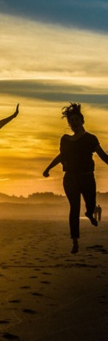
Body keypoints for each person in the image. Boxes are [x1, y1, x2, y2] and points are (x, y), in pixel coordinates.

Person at [43, 102, 108, 253]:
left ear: (82, 121)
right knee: (74, 208)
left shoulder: (91, 138)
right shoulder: (65, 140)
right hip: (71, 178)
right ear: (69, 124)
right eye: (71, 121)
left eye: (76, 120)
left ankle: (89, 213)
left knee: (91, 203)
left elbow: (103, 155)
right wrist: (48, 168)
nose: (74, 123)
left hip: (87, 178)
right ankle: (75, 241)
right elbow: (61, 156)